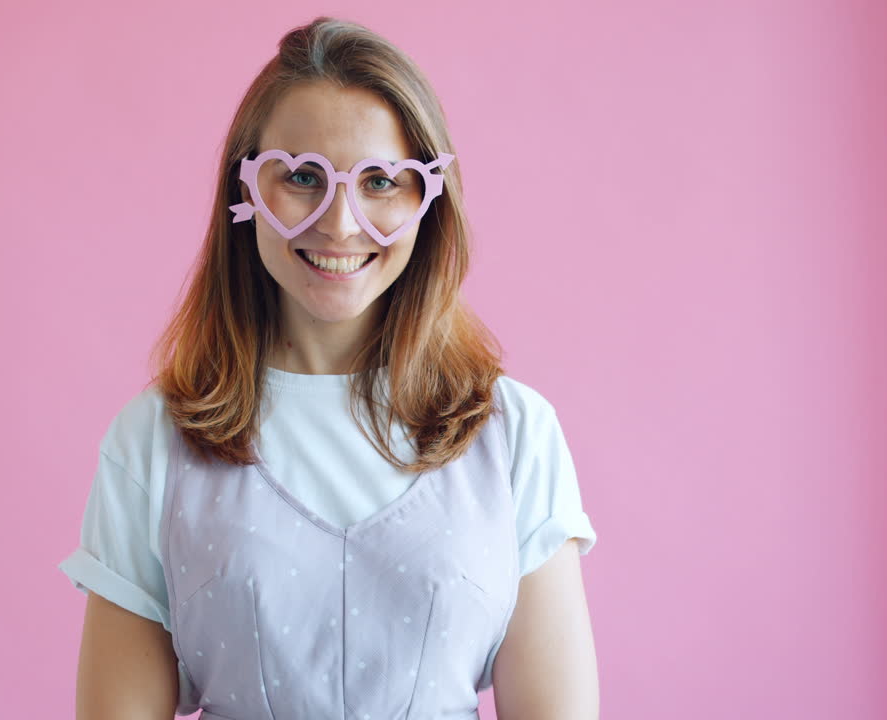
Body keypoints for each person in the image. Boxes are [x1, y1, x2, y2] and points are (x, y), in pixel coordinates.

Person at [59, 16, 599, 720]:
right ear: (247, 192)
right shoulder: (152, 441)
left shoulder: (516, 437)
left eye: (381, 181)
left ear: (428, 202)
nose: (341, 224)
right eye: (303, 177)